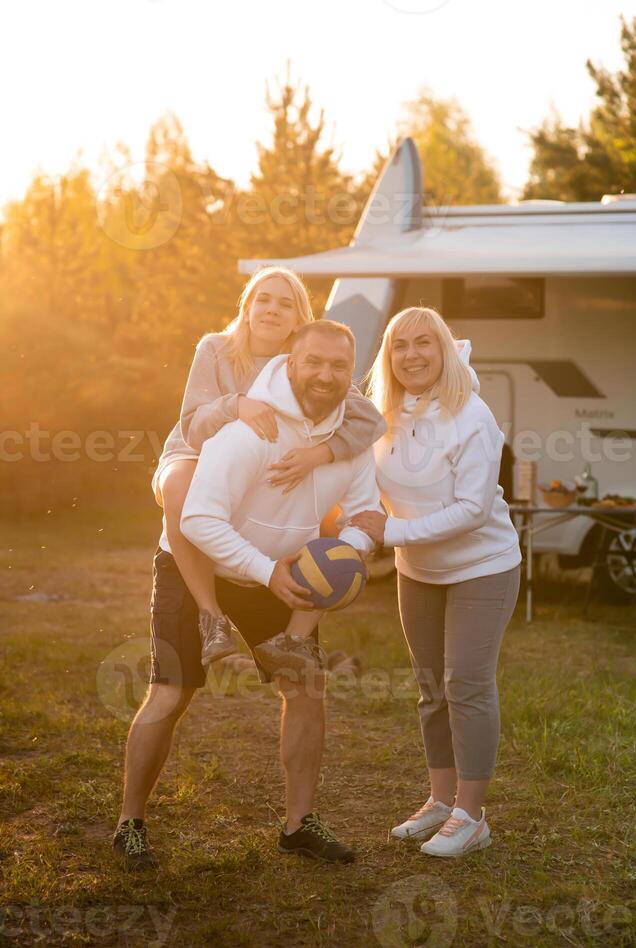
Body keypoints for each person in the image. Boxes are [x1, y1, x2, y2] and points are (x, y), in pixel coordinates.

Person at [113, 319, 385, 868]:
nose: (325, 375)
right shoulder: (248, 432)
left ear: (350, 374)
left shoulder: (347, 444)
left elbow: (365, 510)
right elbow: (199, 520)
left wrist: (349, 552)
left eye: (338, 366)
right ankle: (130, 823)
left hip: (282, 571)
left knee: (306, 686)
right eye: (313, 362)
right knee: (171, 692)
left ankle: (298, 824)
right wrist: (267, 571)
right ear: (289, 364)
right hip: (203, 567)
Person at [151, 265, 384, 669]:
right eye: (263, 299)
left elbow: (368, 419)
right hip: (194, 450)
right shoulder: (216, 348)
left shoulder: (304, 361)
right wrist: (236, 405)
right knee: (180, 490)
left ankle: (297, 635)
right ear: (247, 307)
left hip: (267, 461)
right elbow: (193, 424)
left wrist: (321, 454)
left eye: (286, 303)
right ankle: (210, 614)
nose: (272, 309)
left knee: (327, 514)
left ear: (299, 319)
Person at [351, 306, 521, 859]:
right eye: (401, 346)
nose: (413, 355)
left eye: (425, 343)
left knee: (466, 683)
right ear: (389, 357)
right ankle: (442, 801)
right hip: (417, 569)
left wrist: (392, 530)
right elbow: (356, 480)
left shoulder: (472, 415)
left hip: (482, 565)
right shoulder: (385, 415)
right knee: (431, 687)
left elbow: (473, 509)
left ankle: (473, 817)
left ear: (444, 350)